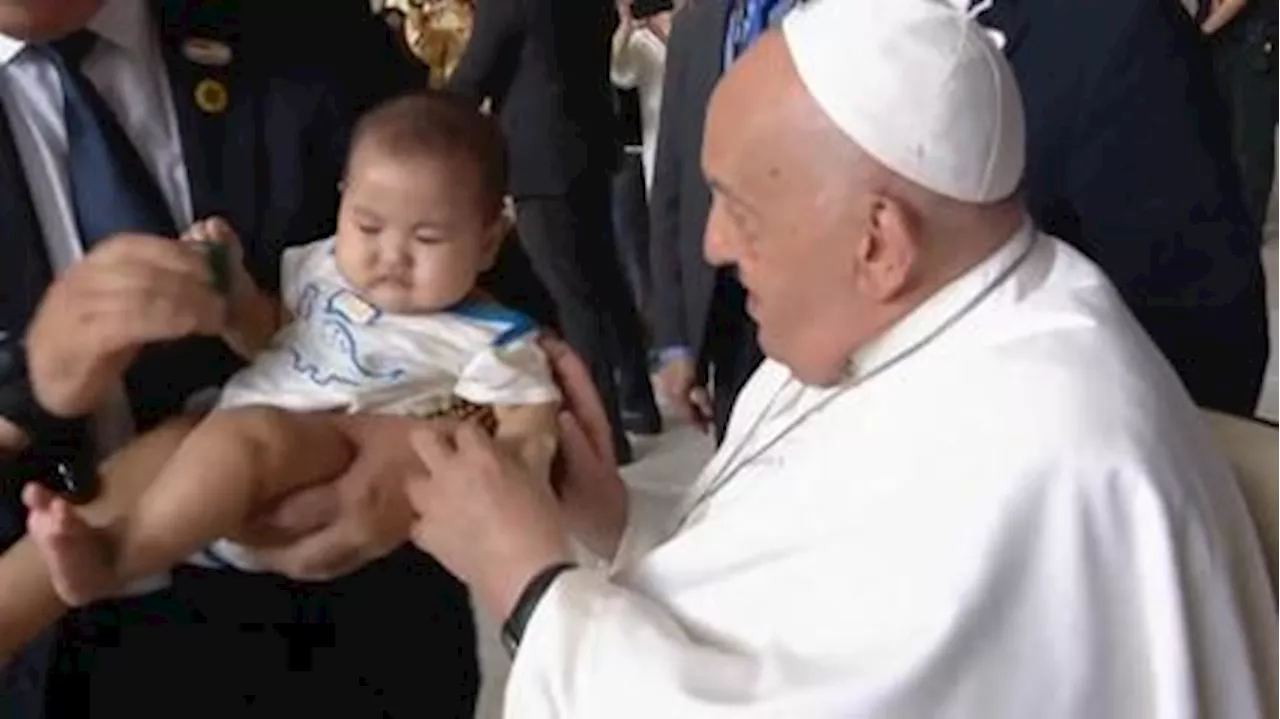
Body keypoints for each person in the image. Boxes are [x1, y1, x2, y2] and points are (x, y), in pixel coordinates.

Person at [402, 1, 1280, 715]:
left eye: (738, 208)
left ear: (880, 243)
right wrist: (615, 520)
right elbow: (799, 616)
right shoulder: (892, 319)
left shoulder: (1044, 446)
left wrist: (528, 584)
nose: (708, 245)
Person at [0, 1, 551, 715]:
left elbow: (513, 321)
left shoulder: (305, 26)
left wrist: (430, 445)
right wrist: (25, 388)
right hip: (54, 662)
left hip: (356, 639)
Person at [447, 0, 662, 460]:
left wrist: (419, 122)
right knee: (605, 282)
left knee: (572, 298)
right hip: (591, 147)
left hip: (540, 162)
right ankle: (640, 403)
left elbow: (471, 79)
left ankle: (605, 436)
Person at [648, 0, 795, 441]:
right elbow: (672, 190)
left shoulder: (857, 16)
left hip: (823, 295)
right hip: (728, 302)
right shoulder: (697, 26)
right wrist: (675, 339)